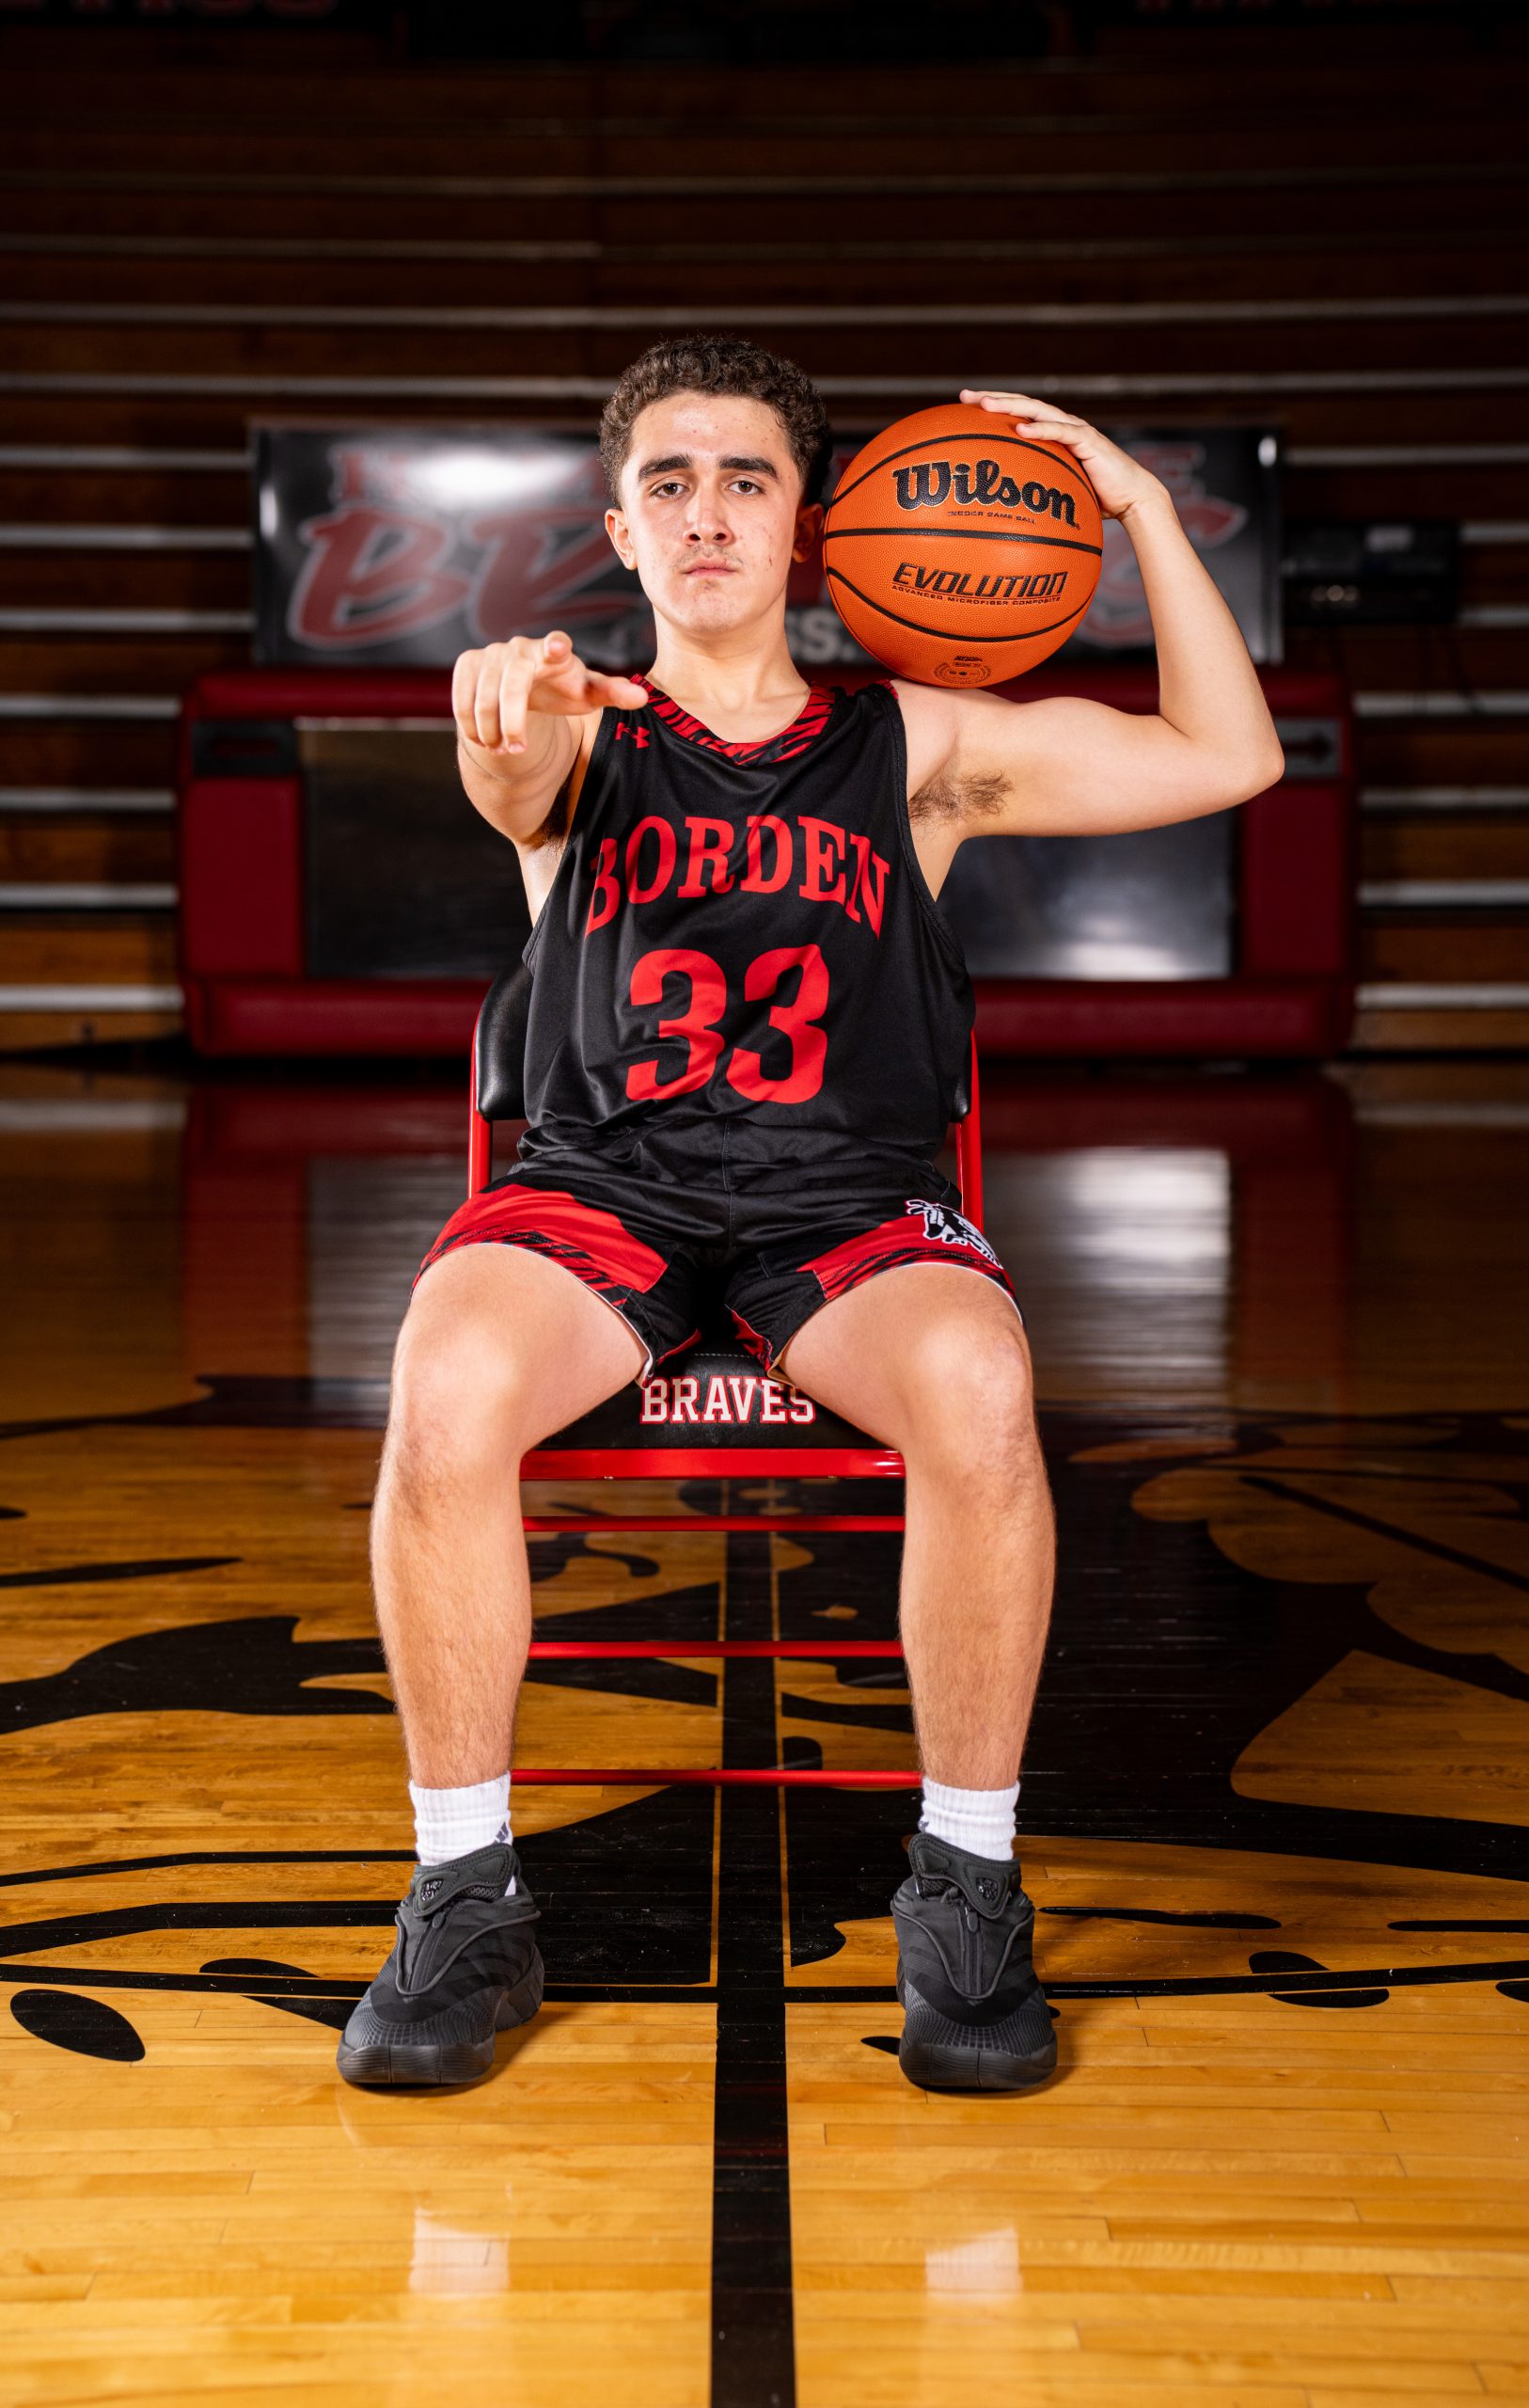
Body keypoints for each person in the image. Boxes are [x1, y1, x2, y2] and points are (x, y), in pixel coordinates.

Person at [337, 337, 1284, 2094]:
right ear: (620, 533)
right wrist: (500, 714)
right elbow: (510, 783)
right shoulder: (574, 724)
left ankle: (967, 1884)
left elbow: (1228, 756)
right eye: (668, 484)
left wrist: (1140, 509)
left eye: (745, 479)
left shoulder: (914, 744)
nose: (706, 513)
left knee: (981, 1388)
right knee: (443, 1380)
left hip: (844, 1202)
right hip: (602, 1187)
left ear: (807, 527)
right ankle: (463, 1892)